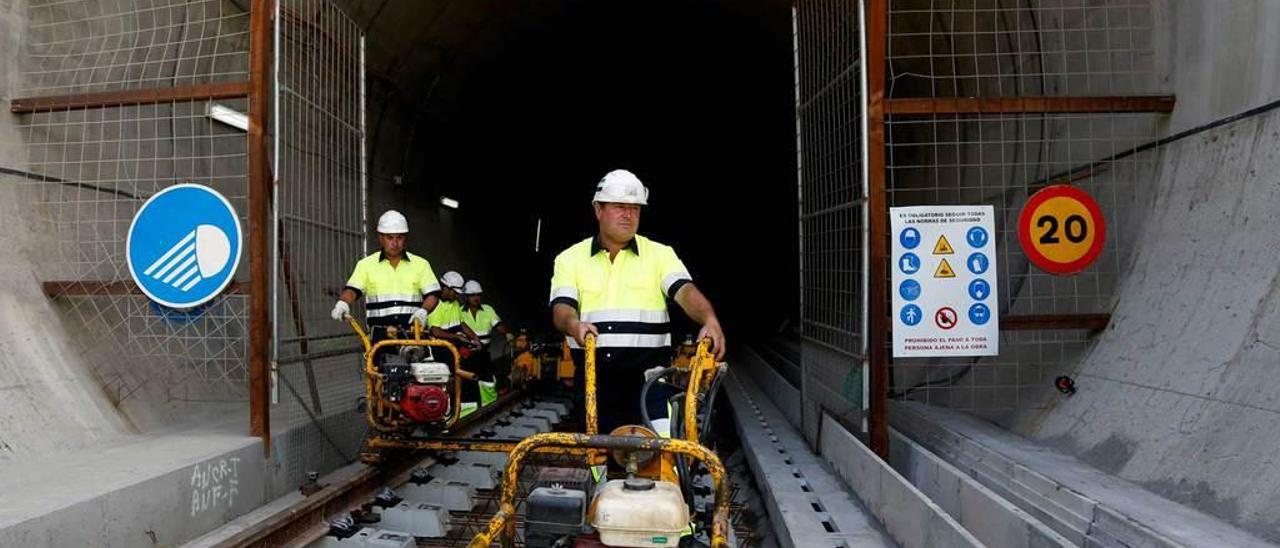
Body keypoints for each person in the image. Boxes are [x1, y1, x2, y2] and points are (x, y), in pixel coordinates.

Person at [549, 169, 725, 434]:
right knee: (598, 460)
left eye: (635, 208)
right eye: (620, 207)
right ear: (598, 209)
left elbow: (686, 292)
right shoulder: (570, 259)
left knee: (663, 458)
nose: (628, 215)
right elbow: (562, 309)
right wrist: (573, 325)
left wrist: (709, 319)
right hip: (595, 385)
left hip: (651, 385)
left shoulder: (660, 256)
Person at [330, 210, 440, 345]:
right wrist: (343, 303)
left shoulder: (421, 265)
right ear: (380, 238)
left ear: (405, 238)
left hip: (414, 335)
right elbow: (352, 290)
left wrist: (423, 311)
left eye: (399, 237)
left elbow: (433, 294)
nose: (395, 243)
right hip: (380, 340)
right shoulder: (366, 265)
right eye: (390, 237)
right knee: (380, 366)